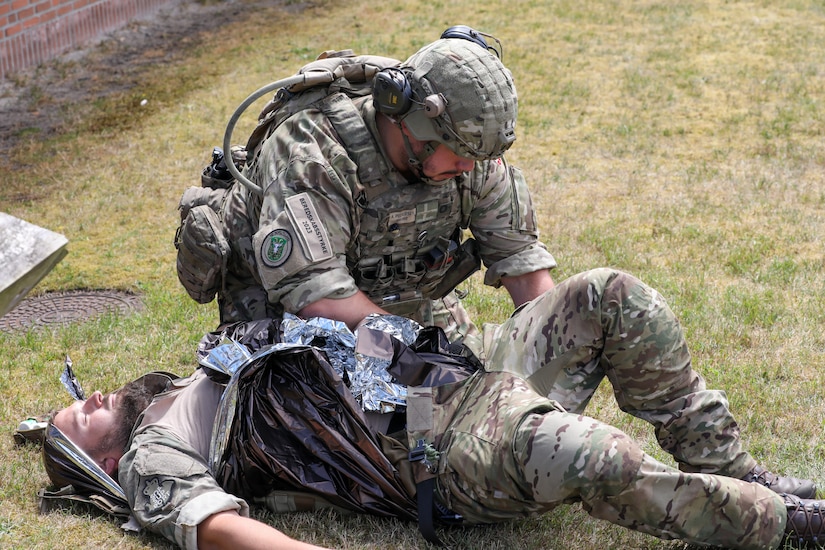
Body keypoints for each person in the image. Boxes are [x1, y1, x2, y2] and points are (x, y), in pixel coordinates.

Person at [175, 26, 815, 499]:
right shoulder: (314, 147)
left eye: (479, 157)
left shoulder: (468, 149)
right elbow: (317, 298)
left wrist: (546, 357)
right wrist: (428, 361)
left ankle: (728, 470)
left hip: (430, 357)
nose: (470, 171)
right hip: (324, 380)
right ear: (406, 122)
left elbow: (527, 278)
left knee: (610, 298)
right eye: (456, 155)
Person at [41, 280, 825, 550]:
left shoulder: (180, 383)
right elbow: (215, 527)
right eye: (74, 419)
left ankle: (735, 470)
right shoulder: (153, 458)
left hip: (454, 374)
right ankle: (783, 524)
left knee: (609, 296)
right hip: (432, 452)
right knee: (594, 456)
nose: (87, 400)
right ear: (102, 465)